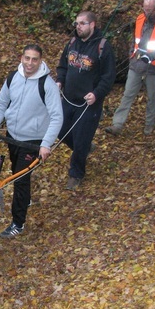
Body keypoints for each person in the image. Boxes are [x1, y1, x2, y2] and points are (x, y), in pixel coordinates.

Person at [0, 44, 63, 239]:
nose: (30, 63)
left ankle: (17, 222)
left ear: (40, 61)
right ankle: (26, 199)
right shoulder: (13, 77)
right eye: (27, 58)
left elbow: (57, 116)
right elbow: (1, 103)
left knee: (20, 180)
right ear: (21, 58)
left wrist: (46, 143)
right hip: (13, 136)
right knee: (16, 171)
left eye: (34, 59)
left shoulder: (47, 85)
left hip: (33, 141)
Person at [56, 11, 116, 190]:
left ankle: (76, 173)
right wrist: (60, 80)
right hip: (68, 99)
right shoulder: (72, 43)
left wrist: (97, 94)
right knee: (61, 131)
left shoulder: (103, 47)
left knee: (81, 138)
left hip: (89, 105)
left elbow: (109, 76)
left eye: (82, 23)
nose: (78, 27)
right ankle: (84, 148)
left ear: (92, 25)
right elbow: (63, 66)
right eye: (77, 23)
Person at [105, 0, 155, 136]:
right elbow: (135, 41)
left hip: (153, 66)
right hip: (136, 64)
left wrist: (151, 56)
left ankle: (149, 126)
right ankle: (117, 124)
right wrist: (132, 54)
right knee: (128, 94)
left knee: (152, 97)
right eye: (144, 8)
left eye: (149, 9)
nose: (146, 11)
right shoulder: (140, 18)